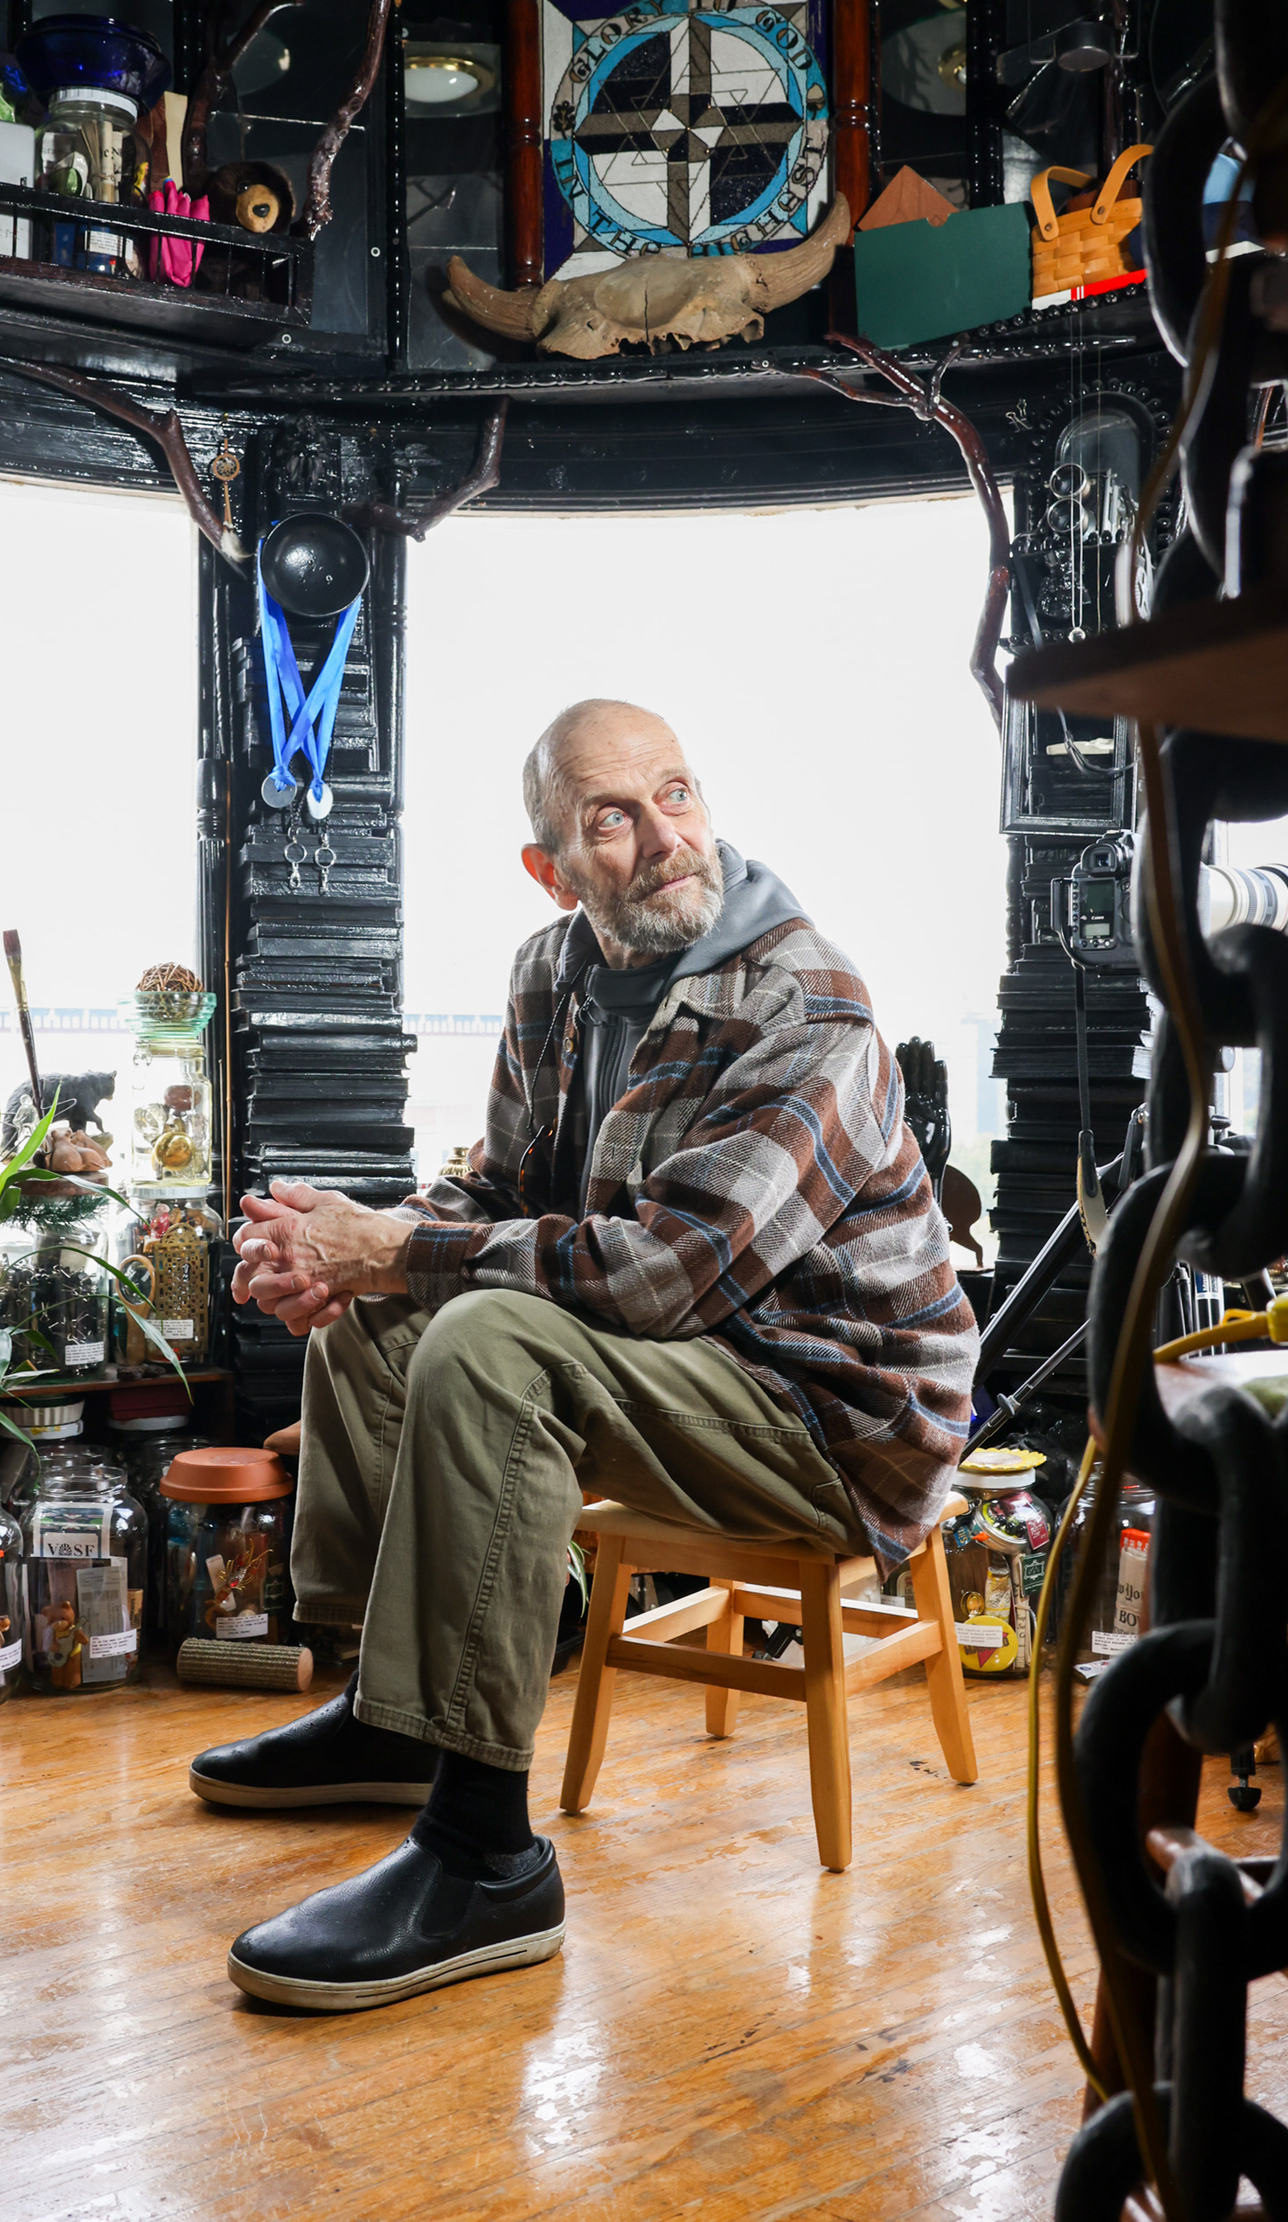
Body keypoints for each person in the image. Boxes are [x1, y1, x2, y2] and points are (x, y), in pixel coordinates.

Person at [197, 699, 977, 2011]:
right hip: (703, 1368)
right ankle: (397, 1718)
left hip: (835, 1412)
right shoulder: (550, 974)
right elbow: (501, 1189)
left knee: (492, 1340)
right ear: (551, 867)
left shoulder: (808, 1011)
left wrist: (391, 1249)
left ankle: (484, 1857)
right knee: (375, 1325)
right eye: (611, 818)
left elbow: (671, 1278)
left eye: (677, 794)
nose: (664, 839)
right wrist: (341, 1250)